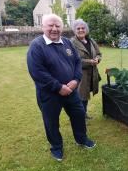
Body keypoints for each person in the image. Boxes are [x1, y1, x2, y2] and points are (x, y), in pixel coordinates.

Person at [27, 14, 95, 162]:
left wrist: (76, 80)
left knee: (79, 114)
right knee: (51, 122)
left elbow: (77, 61)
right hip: (50, 94)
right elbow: (37, 72)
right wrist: (58, 87)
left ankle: (81, 139)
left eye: (57, 26)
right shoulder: (36, 46)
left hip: (71, 91)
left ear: (62, 27)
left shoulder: (66, 43)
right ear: (43, 27)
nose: (54, 29)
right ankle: (56, 148)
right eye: (50, 25)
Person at [71, 19, 102, 119]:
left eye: (83, 28)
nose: (81, 30)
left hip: (92, 73)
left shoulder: (91, 40)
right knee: (81, 96)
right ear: (74, 30)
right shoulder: (72, 43)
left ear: (86, 29)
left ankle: (84, 114)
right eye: (78, 28)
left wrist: (97, 59)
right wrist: (90, 62)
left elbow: (99, 53)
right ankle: (80, 116)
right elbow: (73, 60)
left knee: (86, 95)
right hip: (80, 74)